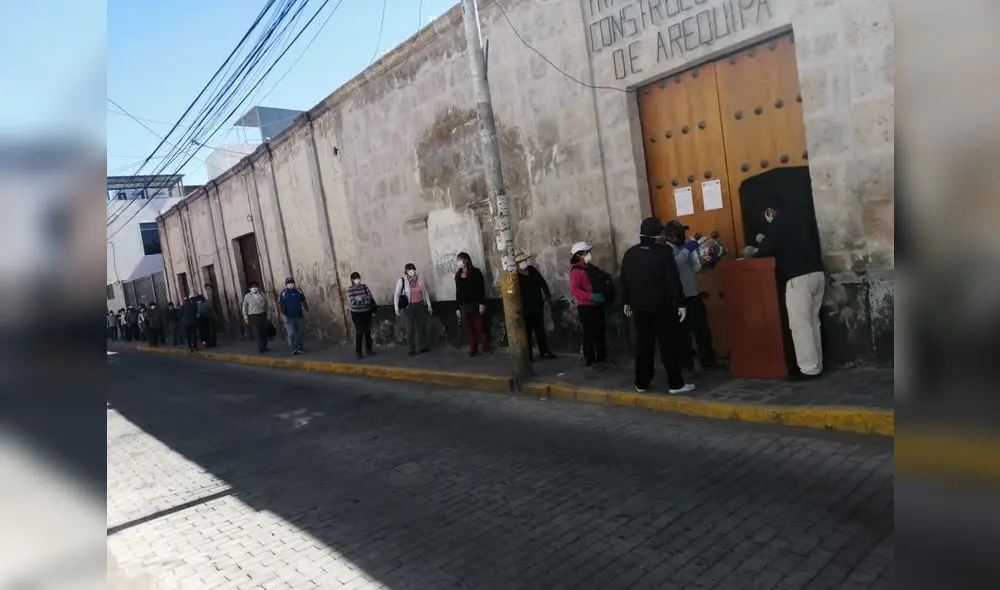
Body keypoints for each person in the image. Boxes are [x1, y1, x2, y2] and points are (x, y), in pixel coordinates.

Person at [620, 217, 695, 394]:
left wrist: (626, 301)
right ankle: (675, 384)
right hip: (662, 307)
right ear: (656, 234)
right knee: (668, 345)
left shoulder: (631, 253)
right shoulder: (663, 252)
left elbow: (624, 279)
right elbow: (673, 280)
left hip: (639, 307)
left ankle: (642, 382)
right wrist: (680, 303)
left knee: (643, 345)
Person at [754, 203, 825, 379]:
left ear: (770, 210)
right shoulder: (799, 219)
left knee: (800, 325)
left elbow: (764, 251)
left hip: (798, 278)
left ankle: (808, 369)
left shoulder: (779, 224)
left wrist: (755, 248)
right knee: (813, 322)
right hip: (817, 274)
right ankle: (817, 365)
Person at [663, 220, 719, 370]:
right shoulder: (665, 250)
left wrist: (708, 259)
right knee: (683, 334)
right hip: (680, 299)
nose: (683, 236)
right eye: (679, 234)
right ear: (669, 237)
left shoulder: (684, 247)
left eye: (683, 233)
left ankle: (708, 360)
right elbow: (673, 265)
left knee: (703, 330)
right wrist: (687, 250)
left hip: (694, 295)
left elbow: (696, 267)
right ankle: (686, 364)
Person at [568, 242, 614, 369]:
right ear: (579, 255)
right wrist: (591, 296)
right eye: (586, 252)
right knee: (589, 333)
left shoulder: (590, 268)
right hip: (585, 306)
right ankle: (590, 359)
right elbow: (575, 290)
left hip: (597, 304)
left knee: (600, 331)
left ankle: (602, 355)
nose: (589, 254)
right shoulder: (575, 271)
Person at [514, 251, 556, 361]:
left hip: (537, 305)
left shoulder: (532, 270)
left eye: (524, 260)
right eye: (521, 261)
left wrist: (547, 296)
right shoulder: (515, 276)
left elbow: (542, 282)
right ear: (517, 264)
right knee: (527, 332)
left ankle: (544, 351)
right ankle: (528, 355)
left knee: (540, 330)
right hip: (526, 308)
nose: (524, 262)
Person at [394, 263, 433, 356]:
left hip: (420, 305)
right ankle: (411, 348)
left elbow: (425, 292)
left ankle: (423, 346)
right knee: (410, 328)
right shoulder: (402, 280)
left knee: (421, 327)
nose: (412, 271)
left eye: (413, 269)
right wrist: (396, 308)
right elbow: (397, 294)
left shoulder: (420, 279)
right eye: (409, 270)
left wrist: (429, 305)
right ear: (406, 271)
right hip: (408, 307)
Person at [455, 252, 489, 357]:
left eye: (459, 260)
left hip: (476, 304)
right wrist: (457, 307)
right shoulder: (458, 275)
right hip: (464, 305)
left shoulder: (476, 273)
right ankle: (473, 348)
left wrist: (482, 303)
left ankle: (485, 346)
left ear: (465, 261)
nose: (458, 263)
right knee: (469, 329)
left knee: (480, 327)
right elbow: (458, 292)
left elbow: (481, 289)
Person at [345, 272, 378, 359]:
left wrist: (360, 299)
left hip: (367, 312)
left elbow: (369, 297)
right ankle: (358, 351)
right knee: (360, 332)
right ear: (352, 280)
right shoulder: (350, 290)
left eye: (358, 277)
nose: (357, 280)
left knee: (368, 331)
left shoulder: (364, 287)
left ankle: (369, 349)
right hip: (357, 313)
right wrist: (364, 299)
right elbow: (353, 301)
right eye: (355, 278)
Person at [278, 277, 308, 354]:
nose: (290, 283)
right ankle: (293, 348)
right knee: (291, 333)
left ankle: (300, 347)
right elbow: (281, 304)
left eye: (292, 282)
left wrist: (307, 310)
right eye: (289, 282)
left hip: (299, 315)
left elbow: (303, 301)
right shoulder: (284, 293)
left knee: (300, 332)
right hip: (288, 317)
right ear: (286, 284)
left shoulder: (299, 291)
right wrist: (283, 314)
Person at [242, 283, 270, 353]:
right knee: (257, 332)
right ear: (250, 289)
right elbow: (244, 307)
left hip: (262, 314)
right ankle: (260, 347)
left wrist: (268, 315)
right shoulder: (247, 296)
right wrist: (245, 317)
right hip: (253, 316)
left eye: (256, 287)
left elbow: (267, 305)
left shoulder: (262, 294)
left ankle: (265, 346)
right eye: (253, 287)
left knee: (264, 332)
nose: (254, 288)